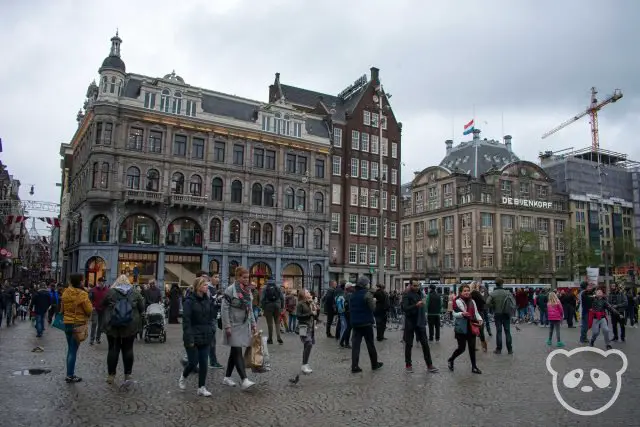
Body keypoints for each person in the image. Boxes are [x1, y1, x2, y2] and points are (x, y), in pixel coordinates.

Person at [103, 275, 145, 385]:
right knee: (128, 349)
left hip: (113, 325)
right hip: (130, 325)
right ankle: (127, 374)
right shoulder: (135, 292)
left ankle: (111, 375)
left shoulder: (110, 292)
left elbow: (102, 305)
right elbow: (142, 307)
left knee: (113, 349)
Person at [179, 277, 215, 396]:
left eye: (207, 285)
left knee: (204, 362)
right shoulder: (189, 301)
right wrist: (189, 338)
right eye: (204, 285)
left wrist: (211, 330)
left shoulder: (208, 300)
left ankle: (201, 387)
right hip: (193, 336)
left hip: (205, 335)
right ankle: (183, 376)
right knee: (193, 362)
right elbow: (186, 321)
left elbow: (211, 317)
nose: (206, 287)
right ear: (198, 287)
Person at [221, 266, 256, 390]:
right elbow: (224, 308)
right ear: (238, 277)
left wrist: (253, 324)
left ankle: (227, 377)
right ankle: (244, 379)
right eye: (244, 277)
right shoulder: (230, 290)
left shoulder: (248, 291)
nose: (247, 280)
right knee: (237, 351)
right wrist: (227, 326)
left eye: (248, 277)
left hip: (243, 324)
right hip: (233, 324)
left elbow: (250, 309)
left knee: (234, 351)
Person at [60, 273, 93, 383]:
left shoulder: (65, 292)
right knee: (73, 350)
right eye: (82, 280)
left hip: (67, 323)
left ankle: (69, 373)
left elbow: (62, 309)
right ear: (79, 281)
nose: (83, 282)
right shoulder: (82, 294)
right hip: (77, 323)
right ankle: (70, 375)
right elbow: (89, 310)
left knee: (70, 349)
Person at [402, 280, 438, 373]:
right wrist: (416, 305)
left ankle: (429, 365)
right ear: (410, 285)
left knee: (425, 344)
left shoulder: (421, 294)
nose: (416, 287)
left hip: (420, 321)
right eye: (414, 285)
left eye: (418, 285)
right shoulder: (407, 294)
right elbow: (405, 308)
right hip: (410, 322)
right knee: (409, 344)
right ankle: (408, 365)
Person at [349, 277, 383, 374]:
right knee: (370, 344)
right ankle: (374, 364)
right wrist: (374, 302)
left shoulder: (353, 294)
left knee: (356, 346)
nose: (369, 284)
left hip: (355, 323)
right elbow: (373, 308)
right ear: (365, 284)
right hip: (366, 323)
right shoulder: (367, 294)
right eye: (368, 283)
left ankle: (354, 366)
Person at [447, 284, 483, 374]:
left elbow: (476, 312)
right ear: (460, 292)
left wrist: (480, 319)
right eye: (465, 291)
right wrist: (462, 314)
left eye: (468, 290)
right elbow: (454, 314)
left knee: (472, 348)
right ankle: (451, 359)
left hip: (471, 326)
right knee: (461, 348)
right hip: (461, 328)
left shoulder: (472, 301)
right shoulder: (457, 301)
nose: (467, 292)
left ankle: (474, 367)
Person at [488, 277, 515, 355]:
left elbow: (487, 303)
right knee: (507, 332)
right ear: (502, 283)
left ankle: (498, 349)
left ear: (495, 284)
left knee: (499, 332)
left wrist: (493, 306)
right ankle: (510, 349)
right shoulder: (508, 292)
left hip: (497, 314)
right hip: (506, 314)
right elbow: (514, 303)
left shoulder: (493, 293)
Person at [296, 289, 318, 374]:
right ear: (303, 294)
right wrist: (310, 314)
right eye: (307, 292)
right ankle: (304, 365)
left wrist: (313, 303)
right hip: (303, 327)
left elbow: (315, 313)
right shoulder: (300, 304)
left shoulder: (310, 302)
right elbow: (298, 316)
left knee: (308, 345)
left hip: (310, 327)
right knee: (308, 343)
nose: (309, 293)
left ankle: (305, 364)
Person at [261, 279, 284, 345]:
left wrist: (263, 308)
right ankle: (279, 338)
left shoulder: (265, 288)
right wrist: (282, 307)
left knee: (270, 324)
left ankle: (270, 339)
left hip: (268, 306)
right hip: (277, 306)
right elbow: (282, 298)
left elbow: (262, 299)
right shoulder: (277, 288)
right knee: (277, 323)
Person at [89, 277, 109, 345]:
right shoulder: (93, 290)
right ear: (98, 282)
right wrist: (92, 306)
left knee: (100, 325)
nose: (102, 283)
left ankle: (98, 338)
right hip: (95, 309)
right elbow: (89, 299)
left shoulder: (107, 290)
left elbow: (109, 299)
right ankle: (92, 339)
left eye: (103, 281)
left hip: (103, 309)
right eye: (101, 281)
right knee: (94, 323)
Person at [470, 282, 488, 352]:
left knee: (472, 330)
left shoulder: (470, 294)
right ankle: (484, 346)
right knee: (481, 331)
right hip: (479, 313)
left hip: (472, 314)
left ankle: (473, 347)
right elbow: (483, 301)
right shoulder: (476, 293)